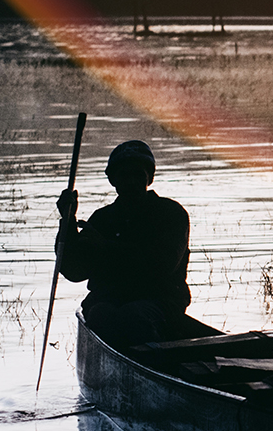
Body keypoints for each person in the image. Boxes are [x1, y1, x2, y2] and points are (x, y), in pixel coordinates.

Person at [56, 140, 191, 346]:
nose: (131, 182)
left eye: (138, 175)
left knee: (134, 316)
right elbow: (75, 271)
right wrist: (68, 223)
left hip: (161, 301)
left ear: (150, 177)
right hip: (110, 299)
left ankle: (159, 361)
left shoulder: (171, 214)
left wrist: (106, 246)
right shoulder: (102, 219)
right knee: (100, 313)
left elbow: (162, 264)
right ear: (113, 180)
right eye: (124, 175)